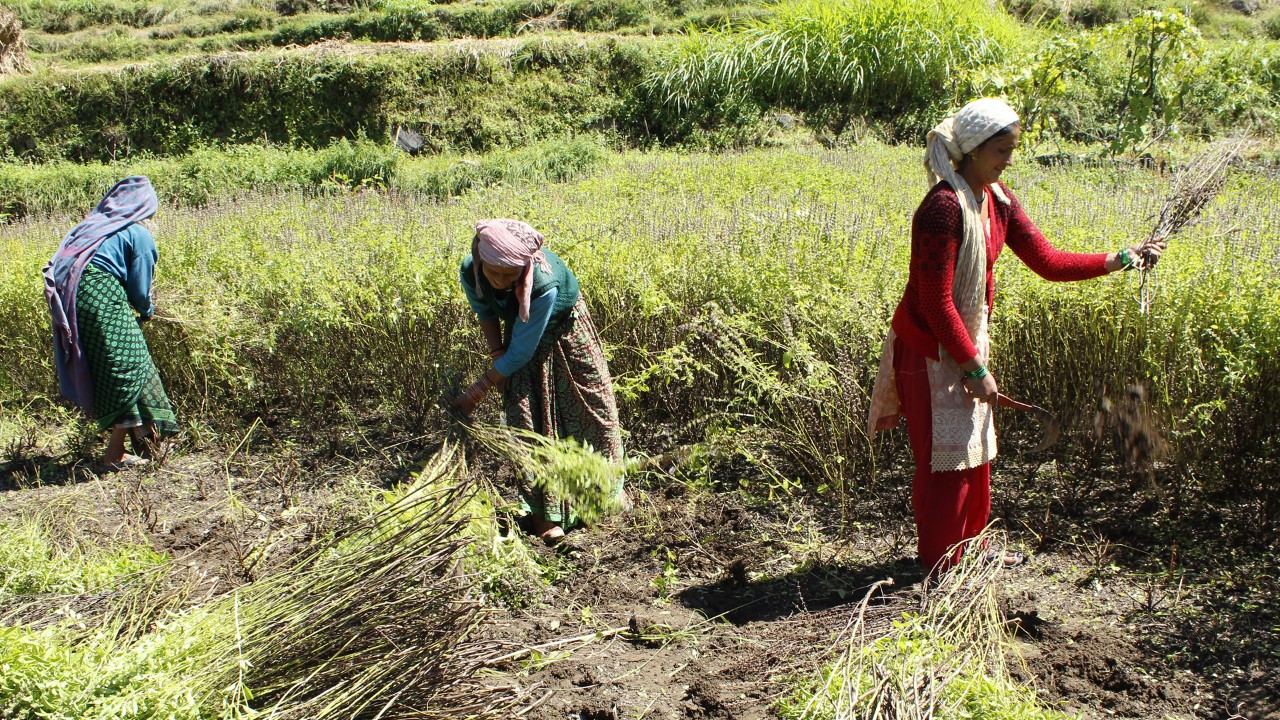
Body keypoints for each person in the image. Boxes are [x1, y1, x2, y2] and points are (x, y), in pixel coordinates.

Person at [866, 99, 1165, 575]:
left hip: (964, 342)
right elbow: (935, 302)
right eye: (1001, 150)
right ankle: (943, 564)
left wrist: (1121, 258)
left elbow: (1048, 261)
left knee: (975, 454)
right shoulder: (943, 209)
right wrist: (974, 369)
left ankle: (972, 548)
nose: (1009, 160)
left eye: (1012, 150)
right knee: (945, 462)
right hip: (929, 351)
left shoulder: (997, 199)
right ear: (972, 150)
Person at [451, 219, 626, 544]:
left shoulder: (544, 286)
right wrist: (497, 355)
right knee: (528, 424)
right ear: (480, 258)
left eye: (510, 274)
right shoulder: (471, 269)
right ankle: (544, 517)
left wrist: (478, 390)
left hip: (566, 333)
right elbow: (485, 311)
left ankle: (605, 499)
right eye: (494, 272)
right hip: (521, 333)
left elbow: (521, 351)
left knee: (592, 416)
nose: (501, 280)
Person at [44, 176, 179, 470]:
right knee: (129, 367)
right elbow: (140, 290)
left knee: (121, 366)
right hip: (100, 299)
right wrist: (147, 310)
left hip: (74, 305)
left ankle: (148, 444)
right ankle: (114, 455)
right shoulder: (138, 234)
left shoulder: (90, 229)